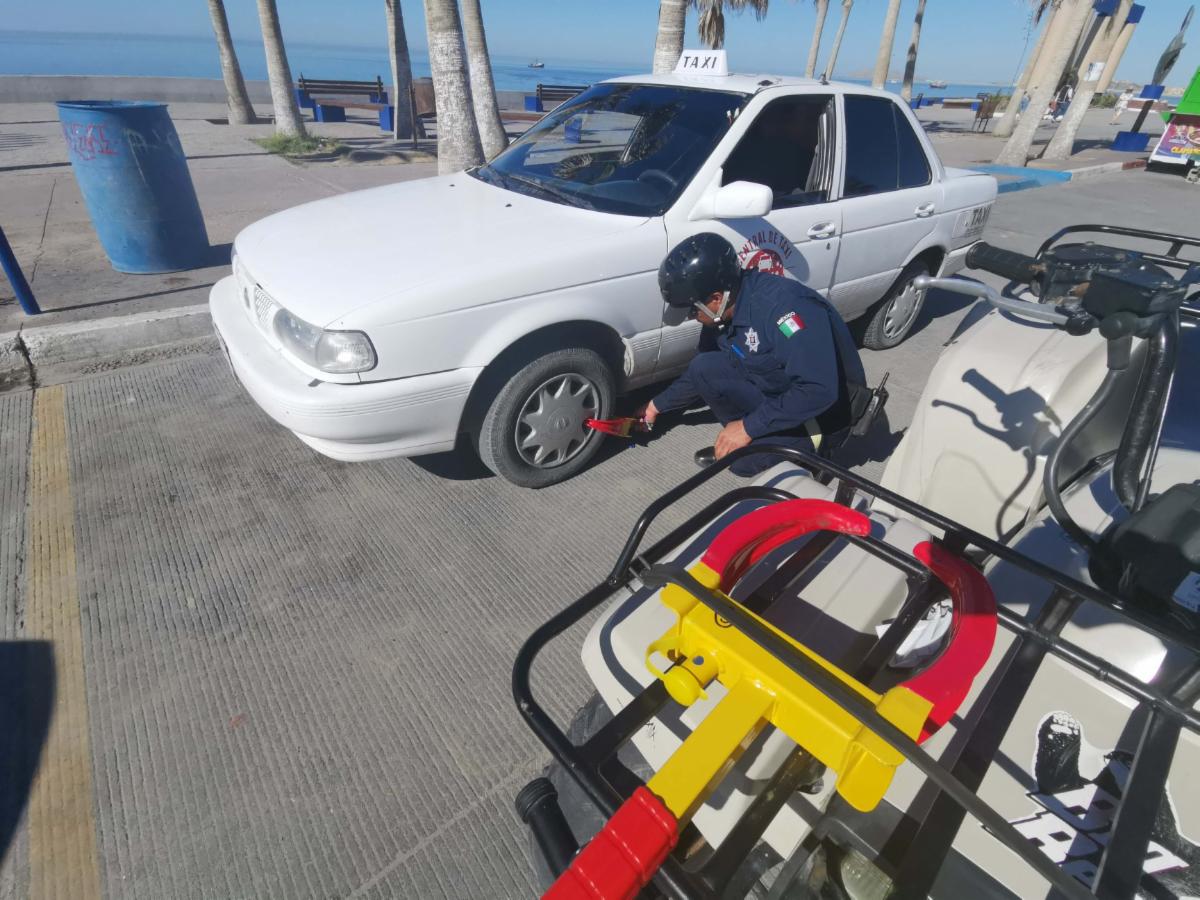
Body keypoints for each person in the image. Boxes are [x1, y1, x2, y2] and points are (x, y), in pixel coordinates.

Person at [640, 233, 867, 477]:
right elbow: (701, 369)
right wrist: (655, 406)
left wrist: (747, 427)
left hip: (821, 416)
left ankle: (811, 458)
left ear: (716, 298)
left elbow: (817, 390)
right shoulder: (722, 310)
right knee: (703, 367)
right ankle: (751, 440)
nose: (690, 318)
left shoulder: (785, 310)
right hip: (777, 392)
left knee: (742, 464)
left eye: (692, 312)